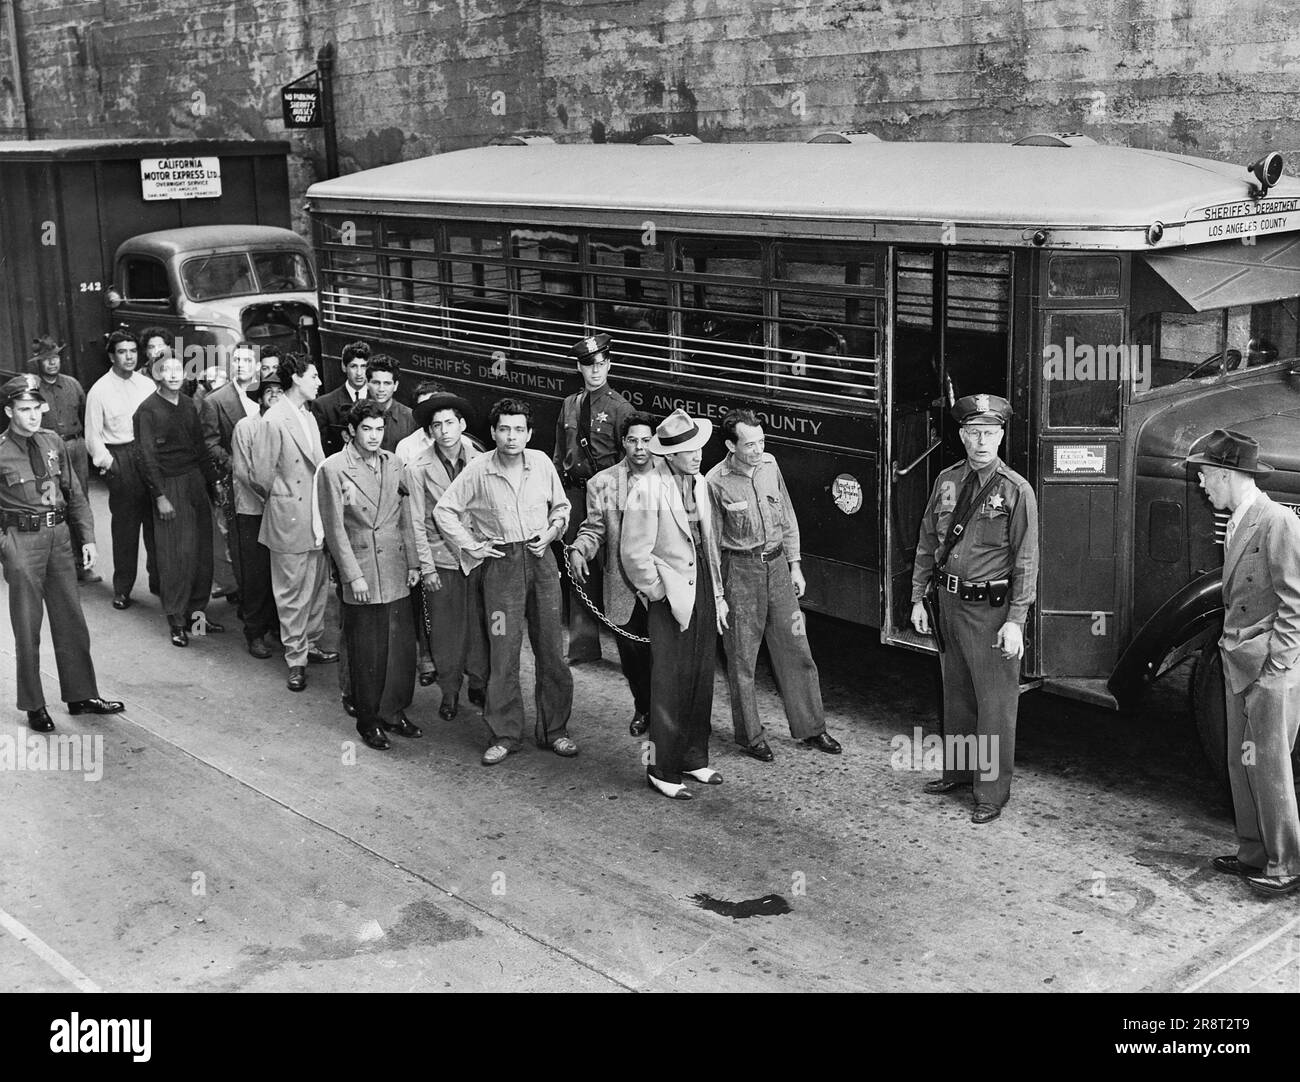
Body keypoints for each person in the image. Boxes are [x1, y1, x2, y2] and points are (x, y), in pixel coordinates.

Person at [910, 394, 1038, 824]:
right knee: (958, 696)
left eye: (990, 432)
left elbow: (1026, 561)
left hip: (991, 611)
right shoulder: (946, 480)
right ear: (962, 436)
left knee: (995, 704)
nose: (982, 441)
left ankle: (991, 793)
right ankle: (960, 773)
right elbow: (929, 540)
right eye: (974, 433)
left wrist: (1016, 621)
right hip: (948, 602)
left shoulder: (1016, 490)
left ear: (1001, 435)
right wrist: (917, 596)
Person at [1187, 429, 1300, 898]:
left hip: (1268, 670)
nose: (1201, 486)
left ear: (1229, 474)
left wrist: (1275, 673)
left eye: (1205, 477)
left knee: (1269, 768)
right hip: (1238, 662)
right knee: (1241, 763)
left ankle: (1286, 865)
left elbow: (1296, 605)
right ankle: (1254, 852)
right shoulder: (1237, 520)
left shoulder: (1278, 522)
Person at [434, 397, 575, 766]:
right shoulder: (479, 469)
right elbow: (444, 510)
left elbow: (561, 507)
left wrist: (553, 531)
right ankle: (505, 733)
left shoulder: (542, 463)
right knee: (503, 652)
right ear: (493, 432)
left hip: (541, 561)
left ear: (529, 433)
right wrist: (473, 546)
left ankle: (555, 730)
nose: (511, 436)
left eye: (518, 429)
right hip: (502, 570)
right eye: (504, 429)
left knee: (551, 651)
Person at [706, 409, 841, 761]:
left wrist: (796, 566)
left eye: (761, 441)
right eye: (749, 444)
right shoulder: (715, 481)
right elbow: (710, 543)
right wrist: (719, 594)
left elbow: (787, 516)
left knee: (797, 650)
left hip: (778, 568)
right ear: (729, 445)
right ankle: (751, 737)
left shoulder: (769, 464)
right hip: (740, 574)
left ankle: (812, 728)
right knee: (741, 661)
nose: (757, 449)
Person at [0, 375, 124, 730]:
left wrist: (86, 537)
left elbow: (74, 493)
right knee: (27, 625)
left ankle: (81, 695)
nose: (33, 416)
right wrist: (6, 545)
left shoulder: (53, 441)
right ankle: (34, 705)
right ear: (10, 411)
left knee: (71, 618)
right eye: (24, 410)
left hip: (58, 538)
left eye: (36, 408)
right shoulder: (1, 451)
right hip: (21, 540)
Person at [620, 409, 729, 801]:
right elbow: (634, 553)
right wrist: (658, 592)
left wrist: (716, 595)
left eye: (698, 447)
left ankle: (693, 757)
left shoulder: (698, 483)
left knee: (701, 672)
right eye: (687, 450)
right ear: (668, 455)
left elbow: (709, 545)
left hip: (699, 584)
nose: (697, 455)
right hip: (670, 592)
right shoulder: (647, 489)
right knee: (668, 680)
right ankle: (661, 768)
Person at [317, 400, 423, 751]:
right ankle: (369, 720)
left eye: (379, 429)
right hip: (363, 569)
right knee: (367, 652)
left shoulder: (394, 463)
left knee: (399, 648)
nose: (375, 436)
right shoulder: (333, 469)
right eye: (367, 429)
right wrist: (353, 576)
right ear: (352, 431)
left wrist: (412, 563)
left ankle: (394, 711)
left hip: (394, 565)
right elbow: (335, 530)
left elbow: (405, 517)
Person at [567, 412, 658, 736]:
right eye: (632, 440)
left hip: (663, 586)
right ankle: (644, 709)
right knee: (633, 657)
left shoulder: (671, 477)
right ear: (622, 442)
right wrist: (579, 548)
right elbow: (594, 529)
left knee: (665, 655)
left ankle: (669, 717)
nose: (639, 447)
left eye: (646, 440)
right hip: (622, 586)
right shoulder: (602, 484)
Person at [254, 354, 339, 691]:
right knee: (291, 592)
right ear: (297, 379)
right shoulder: (274, 420)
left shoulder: (308, 416)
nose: (319, 382)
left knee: (317, 587)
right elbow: (261, 475)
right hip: (289, 519)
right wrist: (286, 501)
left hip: (315, 517)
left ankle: (312, 642)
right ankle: (296, 659)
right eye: (314, 376)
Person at [553, 334, 634, 664]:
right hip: (575, 494)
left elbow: (629, 461)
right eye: (589, 365)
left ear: (609, 365)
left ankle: (629, 644)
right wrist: (558, 493)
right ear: (579, 368)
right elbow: (560, 452)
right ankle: (584, 646)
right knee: (578, 565)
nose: (595, 370)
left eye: (601, 364)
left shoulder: (620, 408)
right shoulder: (570, 404)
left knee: (616, 568)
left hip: (608, 498)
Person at [407, 392, 488, 720]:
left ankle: (479, 683)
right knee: (445, 631)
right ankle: (450, 690)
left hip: (479, 556)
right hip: (442, 560)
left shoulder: (481, 459)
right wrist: (426, 568)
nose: (444, 430)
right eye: (436, 425)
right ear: (430, 431)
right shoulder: (418, 468)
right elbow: (415, 521)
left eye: (449, 423)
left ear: (462, 424)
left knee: (481, 627)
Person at [133, 354, 224, 647]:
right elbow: (146, 458)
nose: (172, 375)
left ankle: (197, 618)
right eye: (165, 370)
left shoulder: (187, 404)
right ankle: (177, 621)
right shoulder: (146, 411)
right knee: (176, 557)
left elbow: (199, 447)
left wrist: (214, 484)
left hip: (195, 481)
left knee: (201, 554)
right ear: (155, 375)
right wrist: (160, 496)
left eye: (177, 370)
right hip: (169, 486)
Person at [85, 330, 158, 610]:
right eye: (122, 352)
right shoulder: (99, 391)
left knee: (155, 524)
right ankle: (123, 588)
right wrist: (111, 464)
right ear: (111, 356)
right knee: (126, 530)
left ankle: (159, 581)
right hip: (121, 458)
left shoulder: (147, 384)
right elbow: (93, 437)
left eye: (132, 351)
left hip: (148, 455)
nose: (128, 357)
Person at [29, 334, 99, 584]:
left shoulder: (73, 385)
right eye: (47, 359)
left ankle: (83, 563)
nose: (52, 363)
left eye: (56, 357)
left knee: (79, 502)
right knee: (51, 504)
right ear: (39, 362)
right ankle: (57, 566)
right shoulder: (33, 388)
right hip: (47, 451)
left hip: (74, 446)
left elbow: (84, 414)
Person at [201, 343, 259, 606]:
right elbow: (209, 443)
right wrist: (234, 464)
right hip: (234, 479)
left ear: (257, 366)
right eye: (236, 360)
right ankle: (240, 588)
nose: (240, 364)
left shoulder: (266, 395)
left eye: (247, 360)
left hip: (268, 479)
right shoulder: (215, 400)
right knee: (237, 536)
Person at [231, 371, 283, 658]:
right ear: (259, 397)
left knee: (280, 572)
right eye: (269, 390)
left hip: (283, 511)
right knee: (256, 574)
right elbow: (242, 471)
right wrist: (269, 496)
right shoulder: (246, 426)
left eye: (279, 390)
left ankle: (278, 627)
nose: (274, 394)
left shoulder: (287, 424)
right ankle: (255, 632)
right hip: (253, 509)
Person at [312, 341, 370, 458]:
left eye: (363, 366)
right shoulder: (324, 405)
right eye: (353, 366)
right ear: (344, 367)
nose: (359, 373)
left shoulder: (378, 401)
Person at [365, 355, 415, 453]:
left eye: (387, 383)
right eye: (376, 383)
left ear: (395, 386)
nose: (381, 389)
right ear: (367, 383)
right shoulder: (356, 414)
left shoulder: (410, 418)